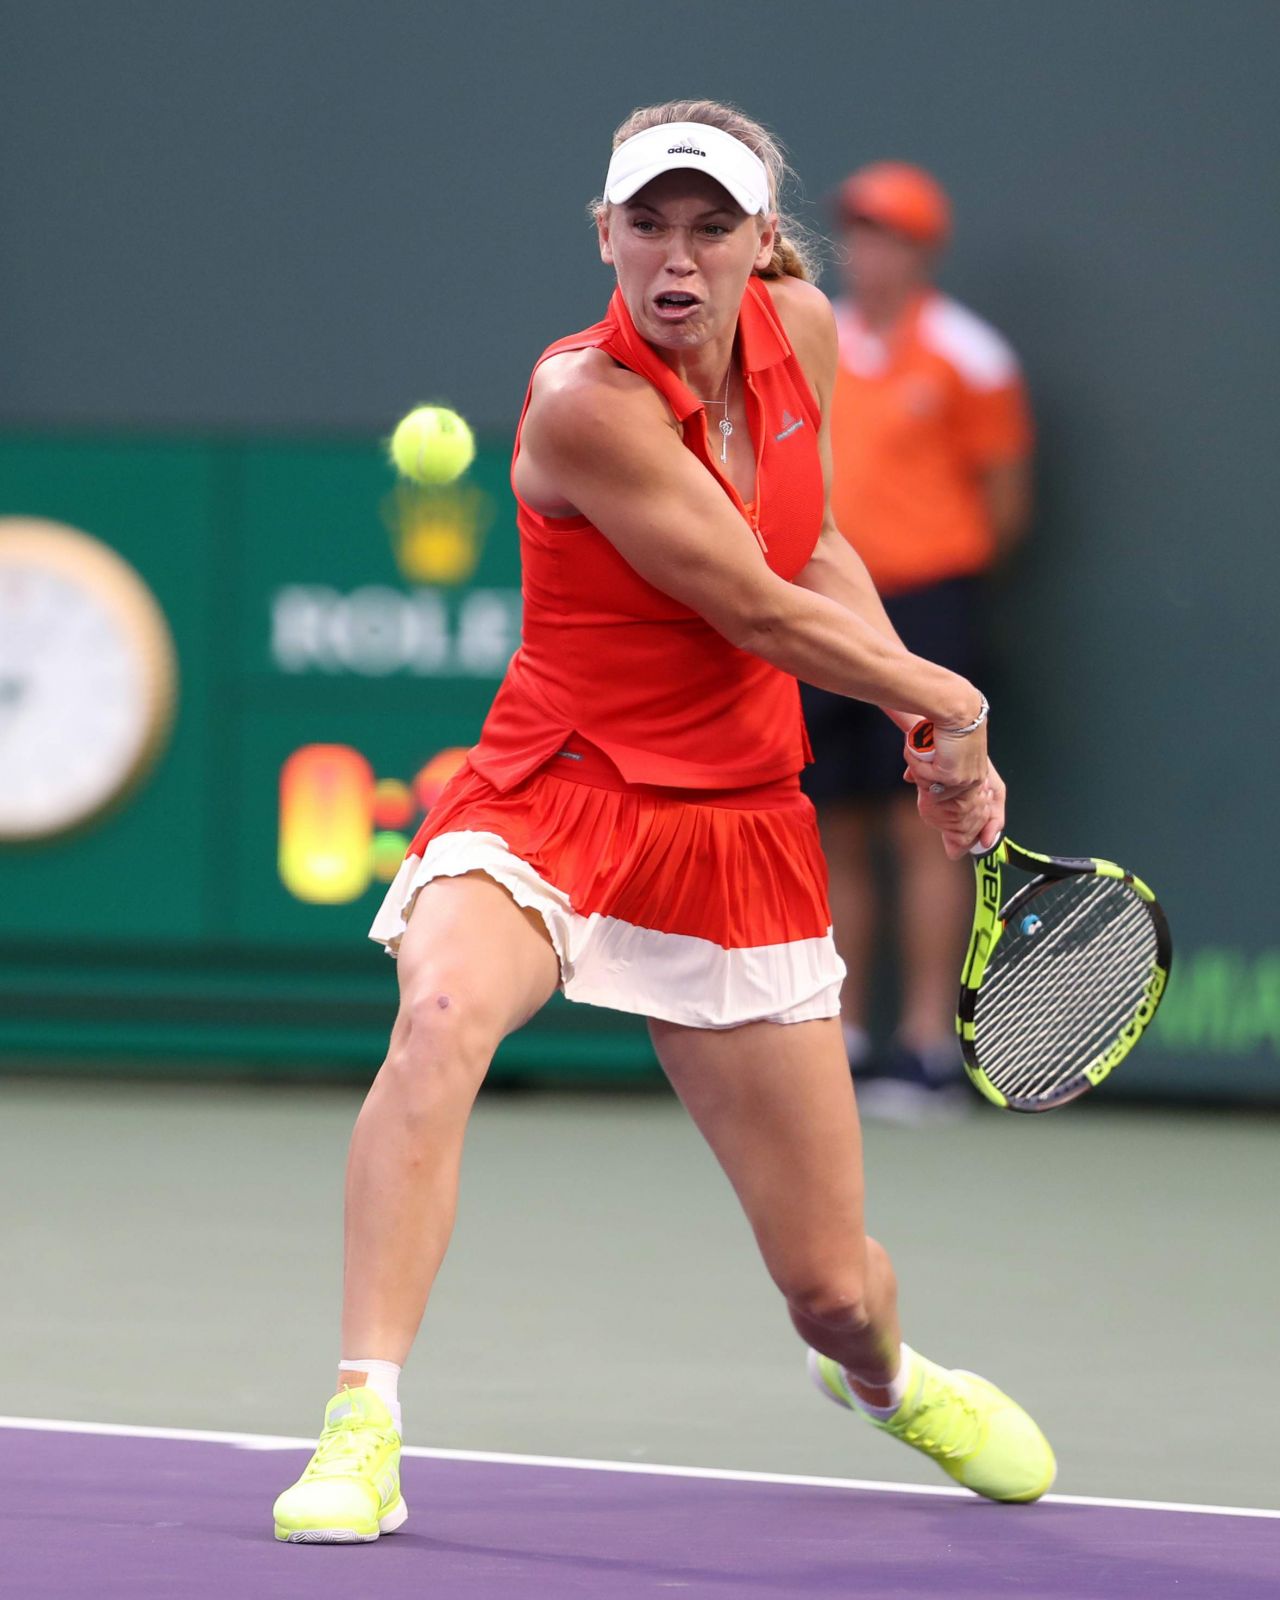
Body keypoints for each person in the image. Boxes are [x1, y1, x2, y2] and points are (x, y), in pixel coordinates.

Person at [271, 100, 1054, 1546]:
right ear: (605, 235)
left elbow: (808, 542)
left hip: (739, 823)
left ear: (766, 243)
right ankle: (361, 1421)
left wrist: (911, 714)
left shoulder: (803, 337)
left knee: (830, 1286)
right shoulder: (582, 403)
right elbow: (750, 603)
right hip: (557, 788)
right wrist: (949, 692)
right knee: (441, 1012)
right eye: (648, 226)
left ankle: (886, 1382)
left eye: (711, 229)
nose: (677, 261)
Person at [800, 161, 1034, 1120]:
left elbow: (1005, 501)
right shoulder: (819, 339)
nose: (867, 251)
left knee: (920, 826)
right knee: (833, 824)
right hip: (823, 614)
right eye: (857, 233)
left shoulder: (970, 358)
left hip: (932, 607)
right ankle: (845, 1037)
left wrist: (933, 579)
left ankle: (929, 1046)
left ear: (921, 250)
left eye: (888, 235)